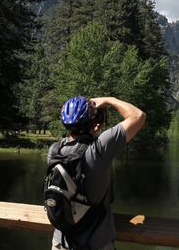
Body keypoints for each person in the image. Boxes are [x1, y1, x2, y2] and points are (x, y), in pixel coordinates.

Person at [49, 96, 146, 250]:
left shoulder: (54, 150)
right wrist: (109, 100)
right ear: (95, 124)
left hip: (61, 242)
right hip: (94, 244)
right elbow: (138, 116)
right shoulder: (99, 149)